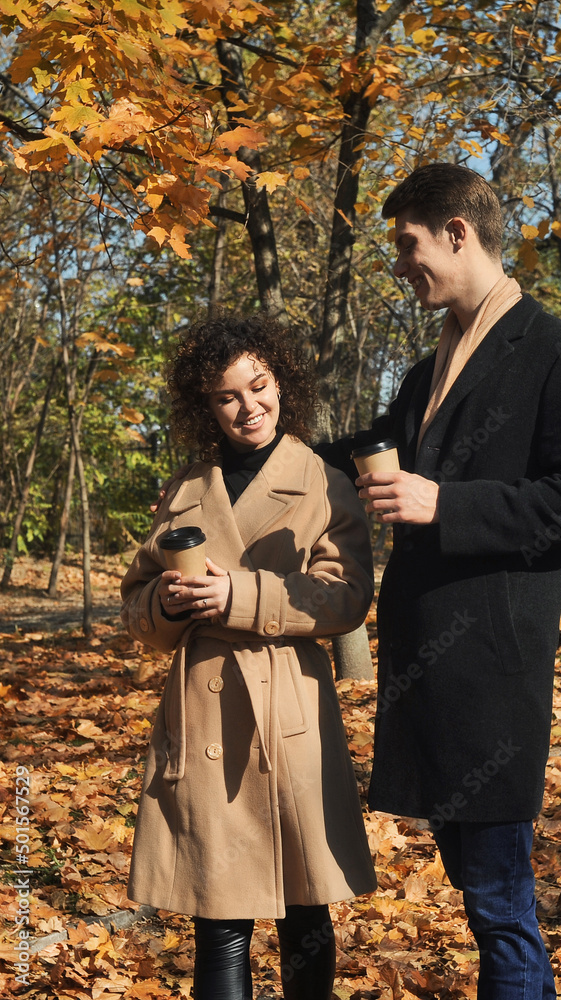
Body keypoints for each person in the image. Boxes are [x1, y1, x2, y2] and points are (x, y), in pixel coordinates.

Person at [320, 163, 561, 999]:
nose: (399, 263)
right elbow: (365, 449)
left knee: (498, 903)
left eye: (407, 243)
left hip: (491, 672)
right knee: (475, 889)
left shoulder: (558, 352)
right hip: (427, 671)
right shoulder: (429, 368)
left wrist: (444, 503)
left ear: (457, 232)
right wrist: (259, 447)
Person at [120, 314, 376, 1000]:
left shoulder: (322, 480)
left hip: (286, 712)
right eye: (226, 396)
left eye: (258, 386)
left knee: (304, 908)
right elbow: (137, 601)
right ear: (205, 406)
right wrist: (168, 607)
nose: (247, 407)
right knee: (218, 915)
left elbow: (347, 597)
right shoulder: (185, 487)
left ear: (281, 384)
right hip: (202, 715)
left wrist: (240, 595)